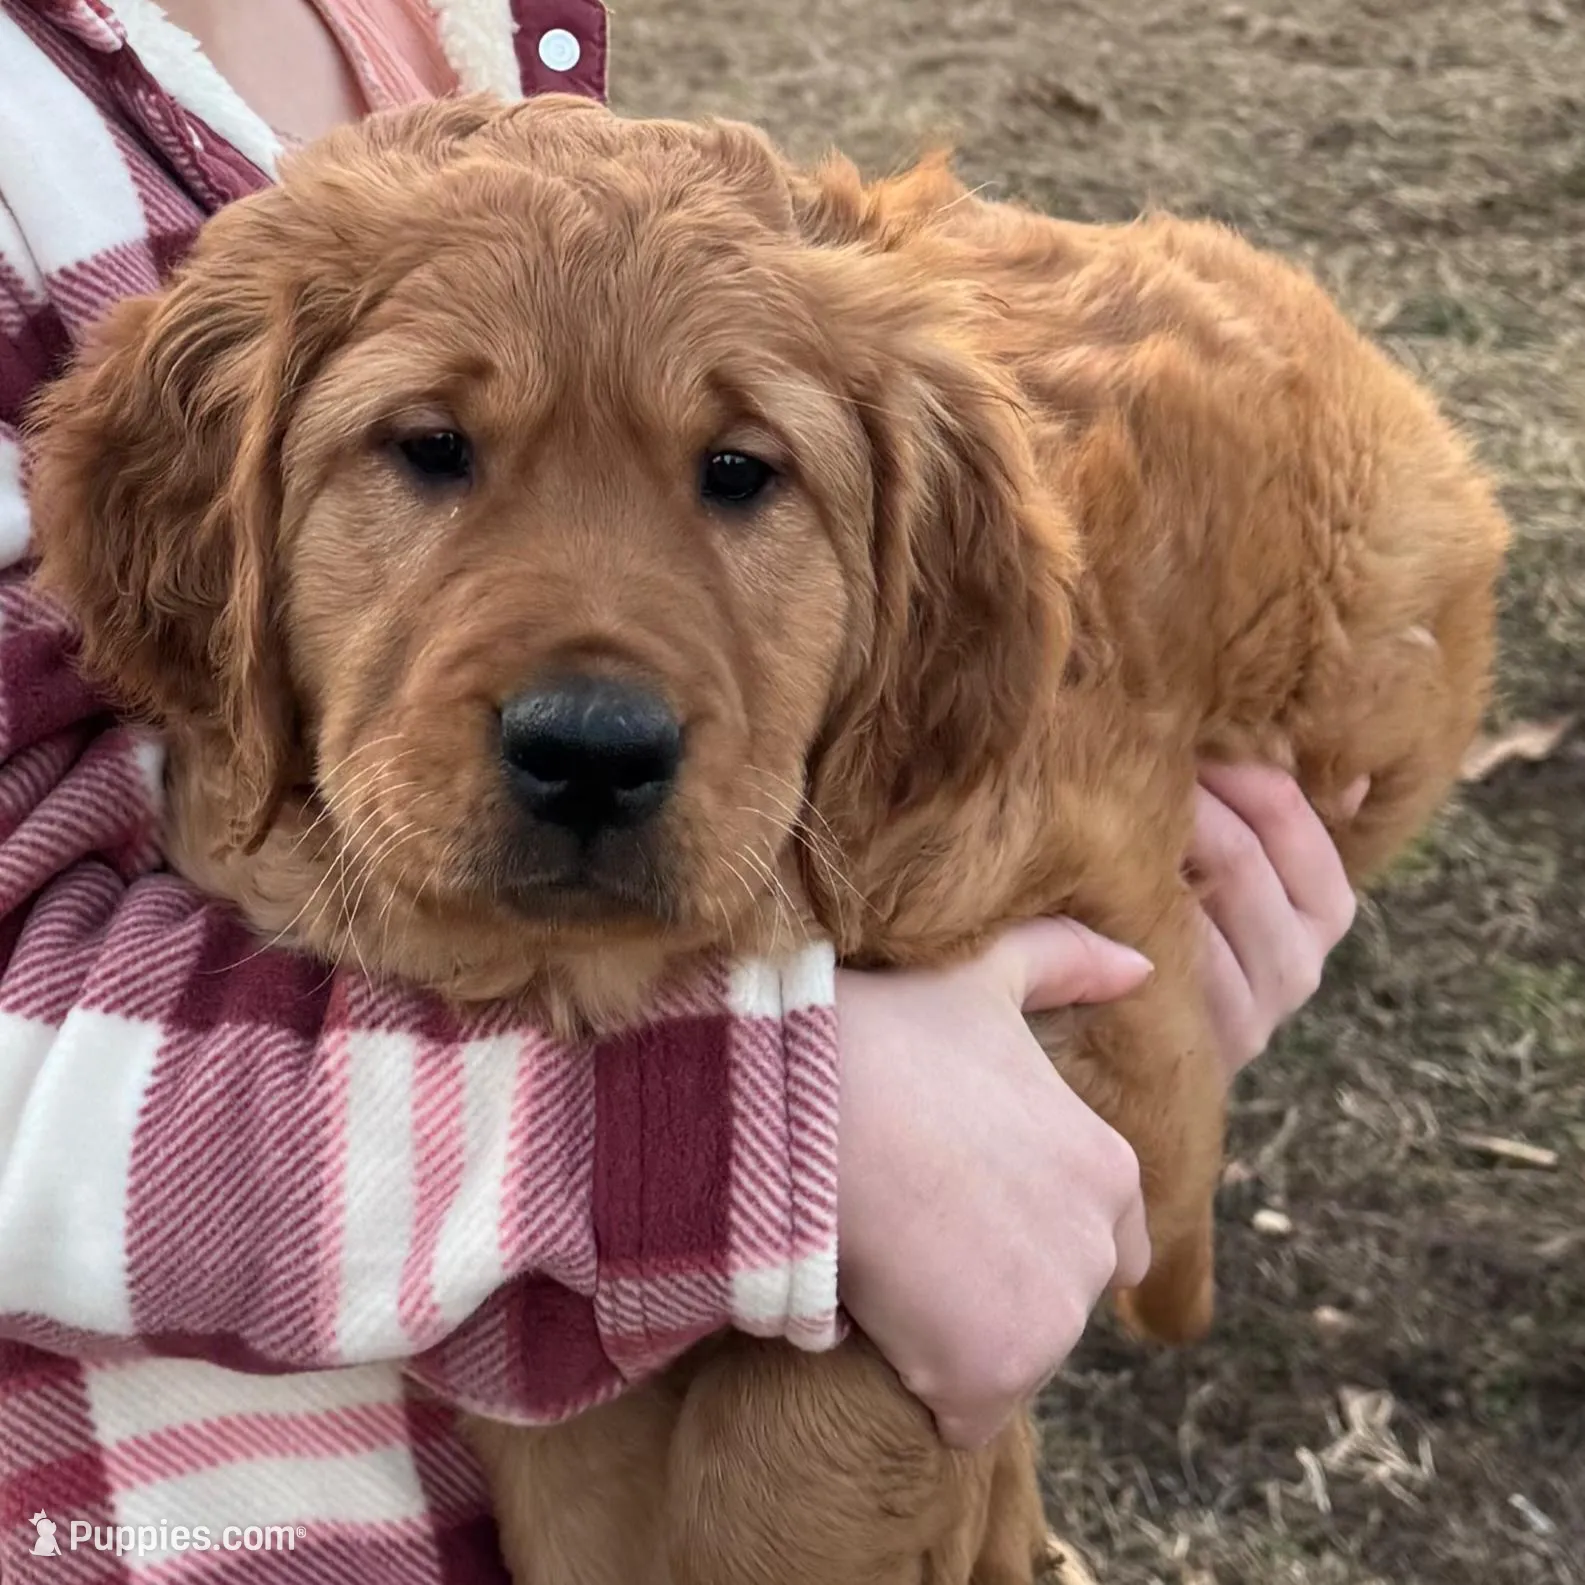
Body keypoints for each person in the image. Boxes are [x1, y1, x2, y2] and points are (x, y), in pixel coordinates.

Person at [0, 1, 1362, 1577]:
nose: (594, 699)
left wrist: (1073, 1035)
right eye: (433, 450)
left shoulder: (485, 39)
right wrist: (782, 1128)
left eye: (738, 477)